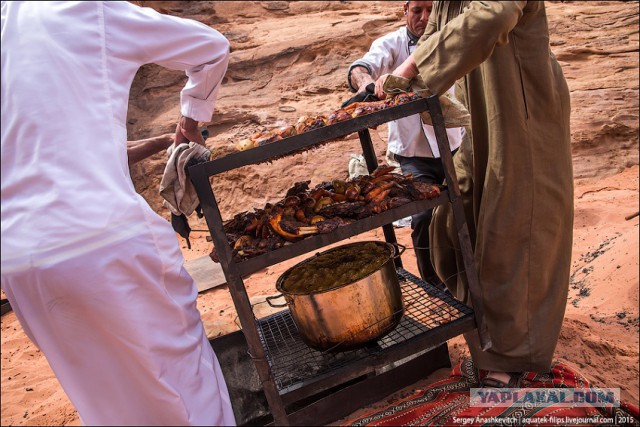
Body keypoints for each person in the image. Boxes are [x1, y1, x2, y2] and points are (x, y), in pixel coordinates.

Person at [1, 2, 236, 425]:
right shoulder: (83, 10)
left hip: (20, 263)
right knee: (185, 385)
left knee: (109, 402)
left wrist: (140, 146)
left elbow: (41, 150)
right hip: (103, 240)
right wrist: (191, 119)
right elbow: (211, 47)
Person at [374, 1, 573, 388]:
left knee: (512, 228)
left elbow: (493, 15)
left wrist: (413, 67)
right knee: (457, 220)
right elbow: (435, 33)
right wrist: (393, 82)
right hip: (477, 118)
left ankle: (511, 357)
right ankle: (490, 332)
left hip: (521, 111)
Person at [347, 0, 465, 286]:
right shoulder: (392, 44)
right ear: (405, 11)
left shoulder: (447, 42)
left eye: (429, 11)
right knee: (422, 216)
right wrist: (365, 82)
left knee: (464, 211)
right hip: (413, 155)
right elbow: (363, 66)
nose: (423, 18)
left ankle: (467, 275)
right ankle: (433, 285)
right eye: (416, 11)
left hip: (454, 146)